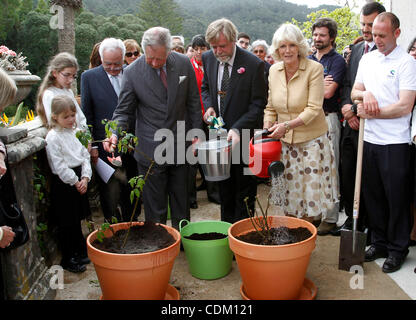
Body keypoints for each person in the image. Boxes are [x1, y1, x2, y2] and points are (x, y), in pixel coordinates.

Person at [103, 27, 203, 230]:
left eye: (160, 58)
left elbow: (193, 102)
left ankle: (183, 242)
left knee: (181, 204)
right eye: (150, 58)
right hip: (150, 150)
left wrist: (197, 135)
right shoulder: (132, 73)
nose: (155, 63)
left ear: (169, 50)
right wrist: (114, 133)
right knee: (154, 208)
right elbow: (123, 111)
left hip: (181, 146)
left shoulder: (183, 63)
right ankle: (159, 246)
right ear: (144, 50)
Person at [352, 12, 416, 273]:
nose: (376, 39)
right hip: (368, 140)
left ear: (396, 33)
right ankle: (378, 242)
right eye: (374, 34)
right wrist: (364, 94)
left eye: (382, 35)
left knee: (396, 198)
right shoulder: (367, 59)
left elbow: (405, 105)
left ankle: (397, 249)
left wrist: (371, 111)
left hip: (395, 142)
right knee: (373, 195)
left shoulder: (406, 63)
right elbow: (355, 91)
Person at [263, 23, 338, 223]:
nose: (287, 51)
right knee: (288, 196)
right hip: (285, 145)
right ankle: (293, 236)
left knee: (310, 200)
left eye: (292, 45)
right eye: (282, 46)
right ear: (276, 49)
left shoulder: (314, 68)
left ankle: (306, 240)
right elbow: (270, 106)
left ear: (300, 47)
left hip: (312, 143)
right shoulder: (273, 70)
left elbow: (314, 108)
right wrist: (267, 127)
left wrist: (286, 126)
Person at [201, 18, 267, 223]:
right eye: (214, 47)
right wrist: (209, 106)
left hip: (245, 136)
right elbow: (205, 88)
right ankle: (227, 234)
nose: (218, 51)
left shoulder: (254, 64)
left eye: (222, 46)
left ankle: (244, 236)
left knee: (245, 190)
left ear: (234, 40)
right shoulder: (208, 58)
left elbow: (258, 104)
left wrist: (238, 128)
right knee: (224, 188)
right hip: (219, 134)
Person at [335, 2, 386, 237]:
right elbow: (348, 84)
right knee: (348, 173)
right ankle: (351, 219)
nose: (366, 29)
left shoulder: (386, 52)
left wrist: (356, 109)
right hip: (350, 124)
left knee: (368, 178)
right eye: (363, 24)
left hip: (371, 125)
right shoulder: (356, 50)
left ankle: (366, 222)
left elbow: (381, 93)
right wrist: (346, 106)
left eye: (370, 25)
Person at [81, 37, 136, 223]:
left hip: (132, 143)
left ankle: (132, 221)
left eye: (117, 64)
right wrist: (93, 146)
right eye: (108, 64)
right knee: (110, 190)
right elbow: (86, 114)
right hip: (104, 146)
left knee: (132, 185)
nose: (113, 68)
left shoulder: (132, 73)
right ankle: (113, 225)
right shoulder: (89, 77)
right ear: (100, 59)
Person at [45, 94, 92, 273]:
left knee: (77, 219)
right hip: (65, 183)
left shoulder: (75, 132)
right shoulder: (53, 137)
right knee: (67, 222)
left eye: (73, 115)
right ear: (55, 117)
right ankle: (68, 257)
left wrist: (85, 178)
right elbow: (59, 165)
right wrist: (75, 181)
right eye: (66, 117)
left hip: (80, 178)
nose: (71, 120)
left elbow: (84, 156)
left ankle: (80, 251)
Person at [308, 17, 346, 235]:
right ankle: (314, 213)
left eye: (322, 35)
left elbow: (328, 93)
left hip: (328, 118)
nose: (317, 38)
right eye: (315, 34)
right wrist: (319, 84)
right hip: (309, 119)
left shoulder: (338, 61)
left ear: (331, 37)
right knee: (312, 167)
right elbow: (302, 91)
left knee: (330, 168)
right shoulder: (309, 59)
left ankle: (330, 217)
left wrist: (314, 88)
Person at [188, 34, 220, 208]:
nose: (199, 52)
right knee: (193, 156)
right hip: (194, 117)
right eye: (195, 49)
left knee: (214, 154)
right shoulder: (187, 67)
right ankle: (190, 198)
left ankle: (214, 192)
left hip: (214, 117)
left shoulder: (214, 64)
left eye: (202, 48)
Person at [36, 52, 88, 130]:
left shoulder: (68, 91)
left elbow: (80, 117)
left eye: (73, 76)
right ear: (55, 73)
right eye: (66, 75)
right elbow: (55, 124)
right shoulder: (49, 94)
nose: (71, 80)